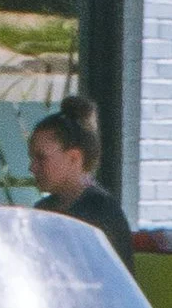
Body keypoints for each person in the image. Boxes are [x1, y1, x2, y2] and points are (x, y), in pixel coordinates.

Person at [29, 96, 137, 268]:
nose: (32, 167)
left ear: (74, 158)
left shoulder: (102, 213)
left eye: (41, 158)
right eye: (32, 158)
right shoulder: (43, 209)